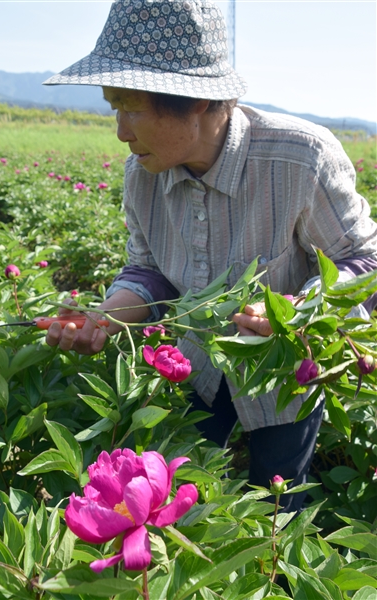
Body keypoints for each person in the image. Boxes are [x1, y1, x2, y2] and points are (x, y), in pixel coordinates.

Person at [43, 0, 377, 511]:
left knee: (277, 506)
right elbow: (148, 269)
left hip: (284, 380)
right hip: (194, 368)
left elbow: (363, 262)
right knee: (183, 501)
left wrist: (292, 313)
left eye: (131, 107)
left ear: (195, 101)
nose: (121, 131)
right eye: (114, 107)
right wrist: (104, 319)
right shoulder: (144, 174)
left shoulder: (300, 158)